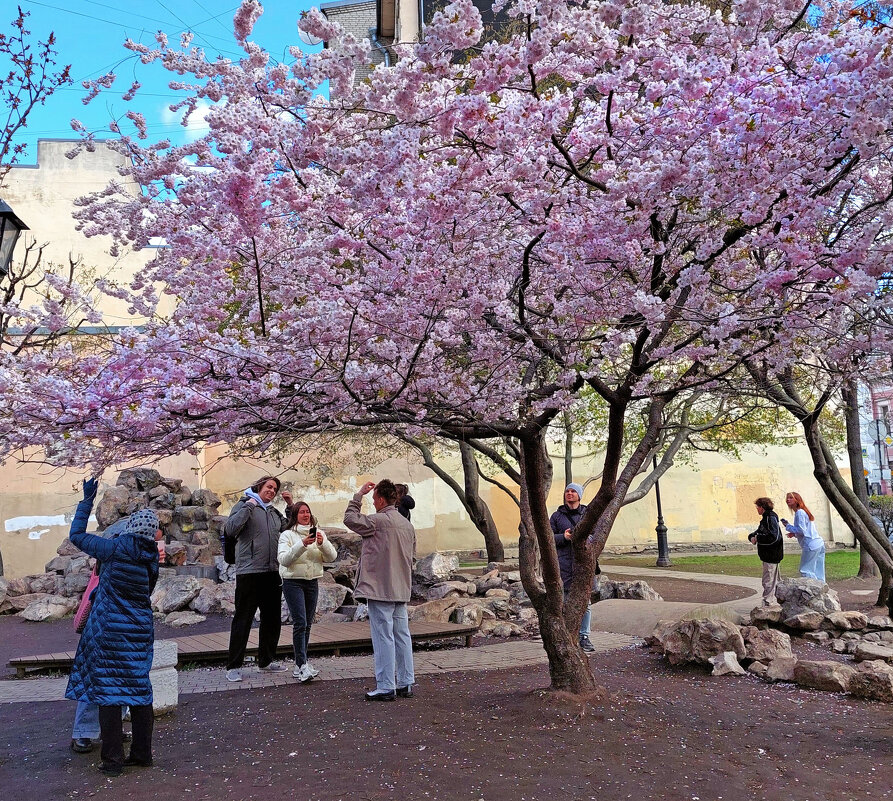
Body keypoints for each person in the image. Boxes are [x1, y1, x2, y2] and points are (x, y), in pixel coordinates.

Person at [65, 479, 161, 777]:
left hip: (109, 632)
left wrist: (87, 501)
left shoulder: (112, 548)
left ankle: (112, 760)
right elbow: (146, 592)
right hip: (139, 631)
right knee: (140, 691)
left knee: (108, 692)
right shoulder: (151, 558)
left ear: (131, 527)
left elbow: (76, 535)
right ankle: (142, 754)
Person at [344, 479, 416, 701]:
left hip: (379, 587)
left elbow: (349, 519)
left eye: (374, 499)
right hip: (400, 587)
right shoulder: (407, 525)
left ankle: (385, 686)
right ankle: (406, 682)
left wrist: (358, 495)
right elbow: (412, 557)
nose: (373, 503)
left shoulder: (376, 521)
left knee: (383, 636)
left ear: (382, 500)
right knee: (402, 635)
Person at [224, 475, 293, 682]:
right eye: (269, 487)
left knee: (272, 619)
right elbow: (230, 529)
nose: (272, 491)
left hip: (272, 571)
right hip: (249, 572)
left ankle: (266, 661)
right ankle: (234, 666)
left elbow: (288, 529)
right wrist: (249, 506)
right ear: (259, 487)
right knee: (243, 619)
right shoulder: (244, 505)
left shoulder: (273, 512)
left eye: (275, 489)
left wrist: (290, 506)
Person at [278, 501, 337, 683]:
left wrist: (322, 544)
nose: (306, 515)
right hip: (292, 582)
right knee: (300, 622)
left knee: (308, 624)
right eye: (302, 512)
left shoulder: (318, 533)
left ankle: (301, 664)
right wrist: (302, 544)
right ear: (295, 515)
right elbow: (283, 559)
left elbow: (332, 557)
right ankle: (301, 664)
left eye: (308, 512)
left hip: (312, 582)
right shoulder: (287, 535)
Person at [549, 482, 598, 653]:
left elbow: (597, 535)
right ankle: (566, 636)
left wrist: (584, 539)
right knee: (563, 601)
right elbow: (549, 538)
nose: (569, 494)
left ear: (579, 495)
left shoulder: (588, 514)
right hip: (563, 564)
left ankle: (584, 636)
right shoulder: (556, 516)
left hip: (583, 565)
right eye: (567, 491)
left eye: (573, 491)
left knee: (586, 603)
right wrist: (563, 537)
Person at [782, 491, 826, 582]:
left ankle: (812, 588)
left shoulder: (800, 512)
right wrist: (794, 534)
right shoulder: (803, 511)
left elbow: (802, 530)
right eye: (787, 498)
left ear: (797, 500)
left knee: (806, 570)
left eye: (791, 497)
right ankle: (822, 588)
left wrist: (788, 526)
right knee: (818, 571)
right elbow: (806, 530)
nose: (787, 499)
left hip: (811, 545)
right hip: (818, 543)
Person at [749, 497, 784, 606]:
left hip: (771, 555)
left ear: (762, 507)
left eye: (757, 507)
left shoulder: (770, 518)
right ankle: (778, 601)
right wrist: (752, 536)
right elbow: (760, 531)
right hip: (769, 555)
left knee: (768, 580)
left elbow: (774, 537)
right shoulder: (766, 518)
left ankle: (768, 603)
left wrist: (758, 538)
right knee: (774, 580)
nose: (757, 509)